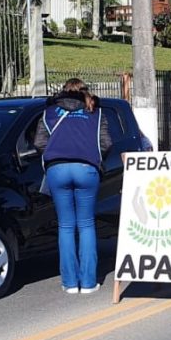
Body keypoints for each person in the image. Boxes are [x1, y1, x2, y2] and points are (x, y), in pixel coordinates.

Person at [35, 78, 111, 293]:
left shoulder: (50, 112)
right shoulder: (95, 112)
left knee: (66, 226)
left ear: (63, 92)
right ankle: (88, 283)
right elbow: (106, 143)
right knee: (86, 224)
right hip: (87, 169)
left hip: (57, 170)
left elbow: (39, 143)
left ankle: (69, 283)